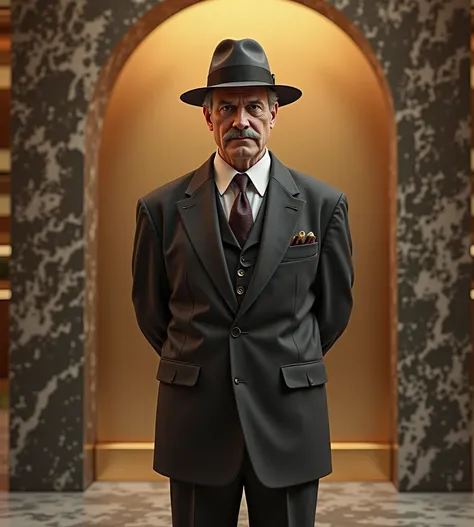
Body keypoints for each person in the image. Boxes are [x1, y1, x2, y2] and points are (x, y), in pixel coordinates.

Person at [132, 37, 354, 527]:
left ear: (274, 114)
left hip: (290, 418)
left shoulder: (323, 205)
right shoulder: (160, 210)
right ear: (207, 118)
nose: (241, 121)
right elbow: (153, 313)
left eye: (254, 107)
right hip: (195, 421)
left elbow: (333, 312)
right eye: (226, 108)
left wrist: (284, 358)